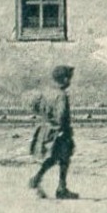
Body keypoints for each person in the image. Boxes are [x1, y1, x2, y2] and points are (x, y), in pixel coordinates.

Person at [28, 64, 77, 200]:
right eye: (69, 78)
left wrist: (46, 118)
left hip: (46, 129)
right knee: (64, 159)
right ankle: (60, 188)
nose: (70, 81)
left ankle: (38, 179)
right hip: (60, 132)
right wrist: (62, 129)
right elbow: (61, 115)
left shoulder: (45, 92)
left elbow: (34, 106)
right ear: (65, 79)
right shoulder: (61, 96)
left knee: (53, 158)